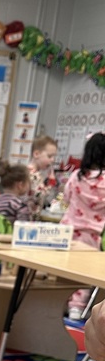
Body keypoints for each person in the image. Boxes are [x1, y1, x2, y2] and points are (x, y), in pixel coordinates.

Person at [61, 131, 105, 319]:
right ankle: (77, 308)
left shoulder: (76, 176)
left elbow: (66, 198)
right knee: (84, 271)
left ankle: (60, 301)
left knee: (64, 269)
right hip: (91, 234)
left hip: (68, 230)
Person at [28, 134, 58, 214]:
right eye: (49, 156)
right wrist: (51, 182)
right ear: (36, 154)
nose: (52, 160)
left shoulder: (30, 172)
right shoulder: (33, 175)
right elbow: (41, 195)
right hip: (28, 216)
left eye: (54, 157)